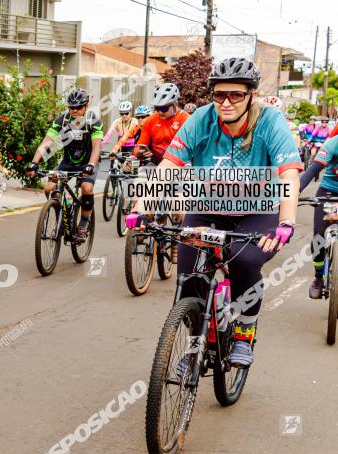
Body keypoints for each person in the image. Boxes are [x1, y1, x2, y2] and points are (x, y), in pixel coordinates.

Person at [127, 57, 302, 367]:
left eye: (236, 94)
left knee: (245, 259)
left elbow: (289, 173)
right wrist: (140, 208)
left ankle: (244, 333)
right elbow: (168, 167)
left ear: (251, 94)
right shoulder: (201, 120)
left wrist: (286, 222)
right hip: (207, 208)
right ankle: (196, 344)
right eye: (219, 94)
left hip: (256, 210)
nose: (226, 102)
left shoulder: (270, 121)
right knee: (188, 277)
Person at [25, 87, 103, 241]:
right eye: (71, 107)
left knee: (86, 188)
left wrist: (91, 165)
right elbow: (47, 142)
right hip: (68, 162)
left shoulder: (94, 121)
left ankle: (84, 224)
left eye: (78, 107)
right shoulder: (62, 120)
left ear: (86, 106)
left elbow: (96, 147)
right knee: (49, 188)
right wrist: (34, 162)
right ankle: (65, 207)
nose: (74, 110)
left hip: (88, 162)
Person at [297, 134, 338, 298]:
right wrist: (293, 193)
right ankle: (318, 276)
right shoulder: (334, 143)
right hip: (329, 193)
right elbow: (313, 169)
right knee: (319, 235)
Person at [134, 83, 190, 165]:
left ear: (174, 104)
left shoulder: (186, 119)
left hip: (179, 164)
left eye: (164, 108)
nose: (160, 112)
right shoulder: (150, 120)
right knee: (140, 176)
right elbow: (139, 146)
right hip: (156, 162)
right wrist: (140, 153)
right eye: (157, 108)